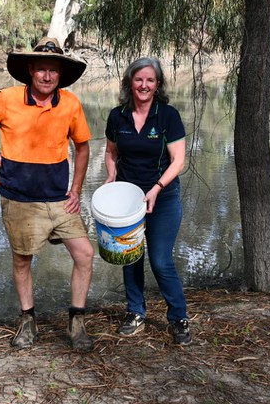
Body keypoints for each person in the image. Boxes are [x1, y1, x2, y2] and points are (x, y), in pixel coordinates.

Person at [0, 37, 95, 351]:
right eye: (42, 70)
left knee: (85, 254)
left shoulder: (71, 103)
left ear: (60, 74)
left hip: (59, 198)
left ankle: (77, 322)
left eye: (54, 70)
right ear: (31, 70)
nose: (47, 77)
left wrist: (76, 189)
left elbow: (83, 146)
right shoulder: (7, 99)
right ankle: (27, 320)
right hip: (18, 198)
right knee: (23, 261)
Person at [103, 57, 191, 345]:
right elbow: (111, 152)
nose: (144, 85)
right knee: (130, 256)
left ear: (158, 85)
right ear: (130, 82)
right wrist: (110, 177)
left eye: (150, 80)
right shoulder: (117, 116)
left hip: (163, 197)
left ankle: (178, 317)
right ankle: (135, 312)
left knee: (161, 260)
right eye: (139, 79)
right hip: (128, 200)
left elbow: (178, 160)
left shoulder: (168, 116)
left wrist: (156, 188)